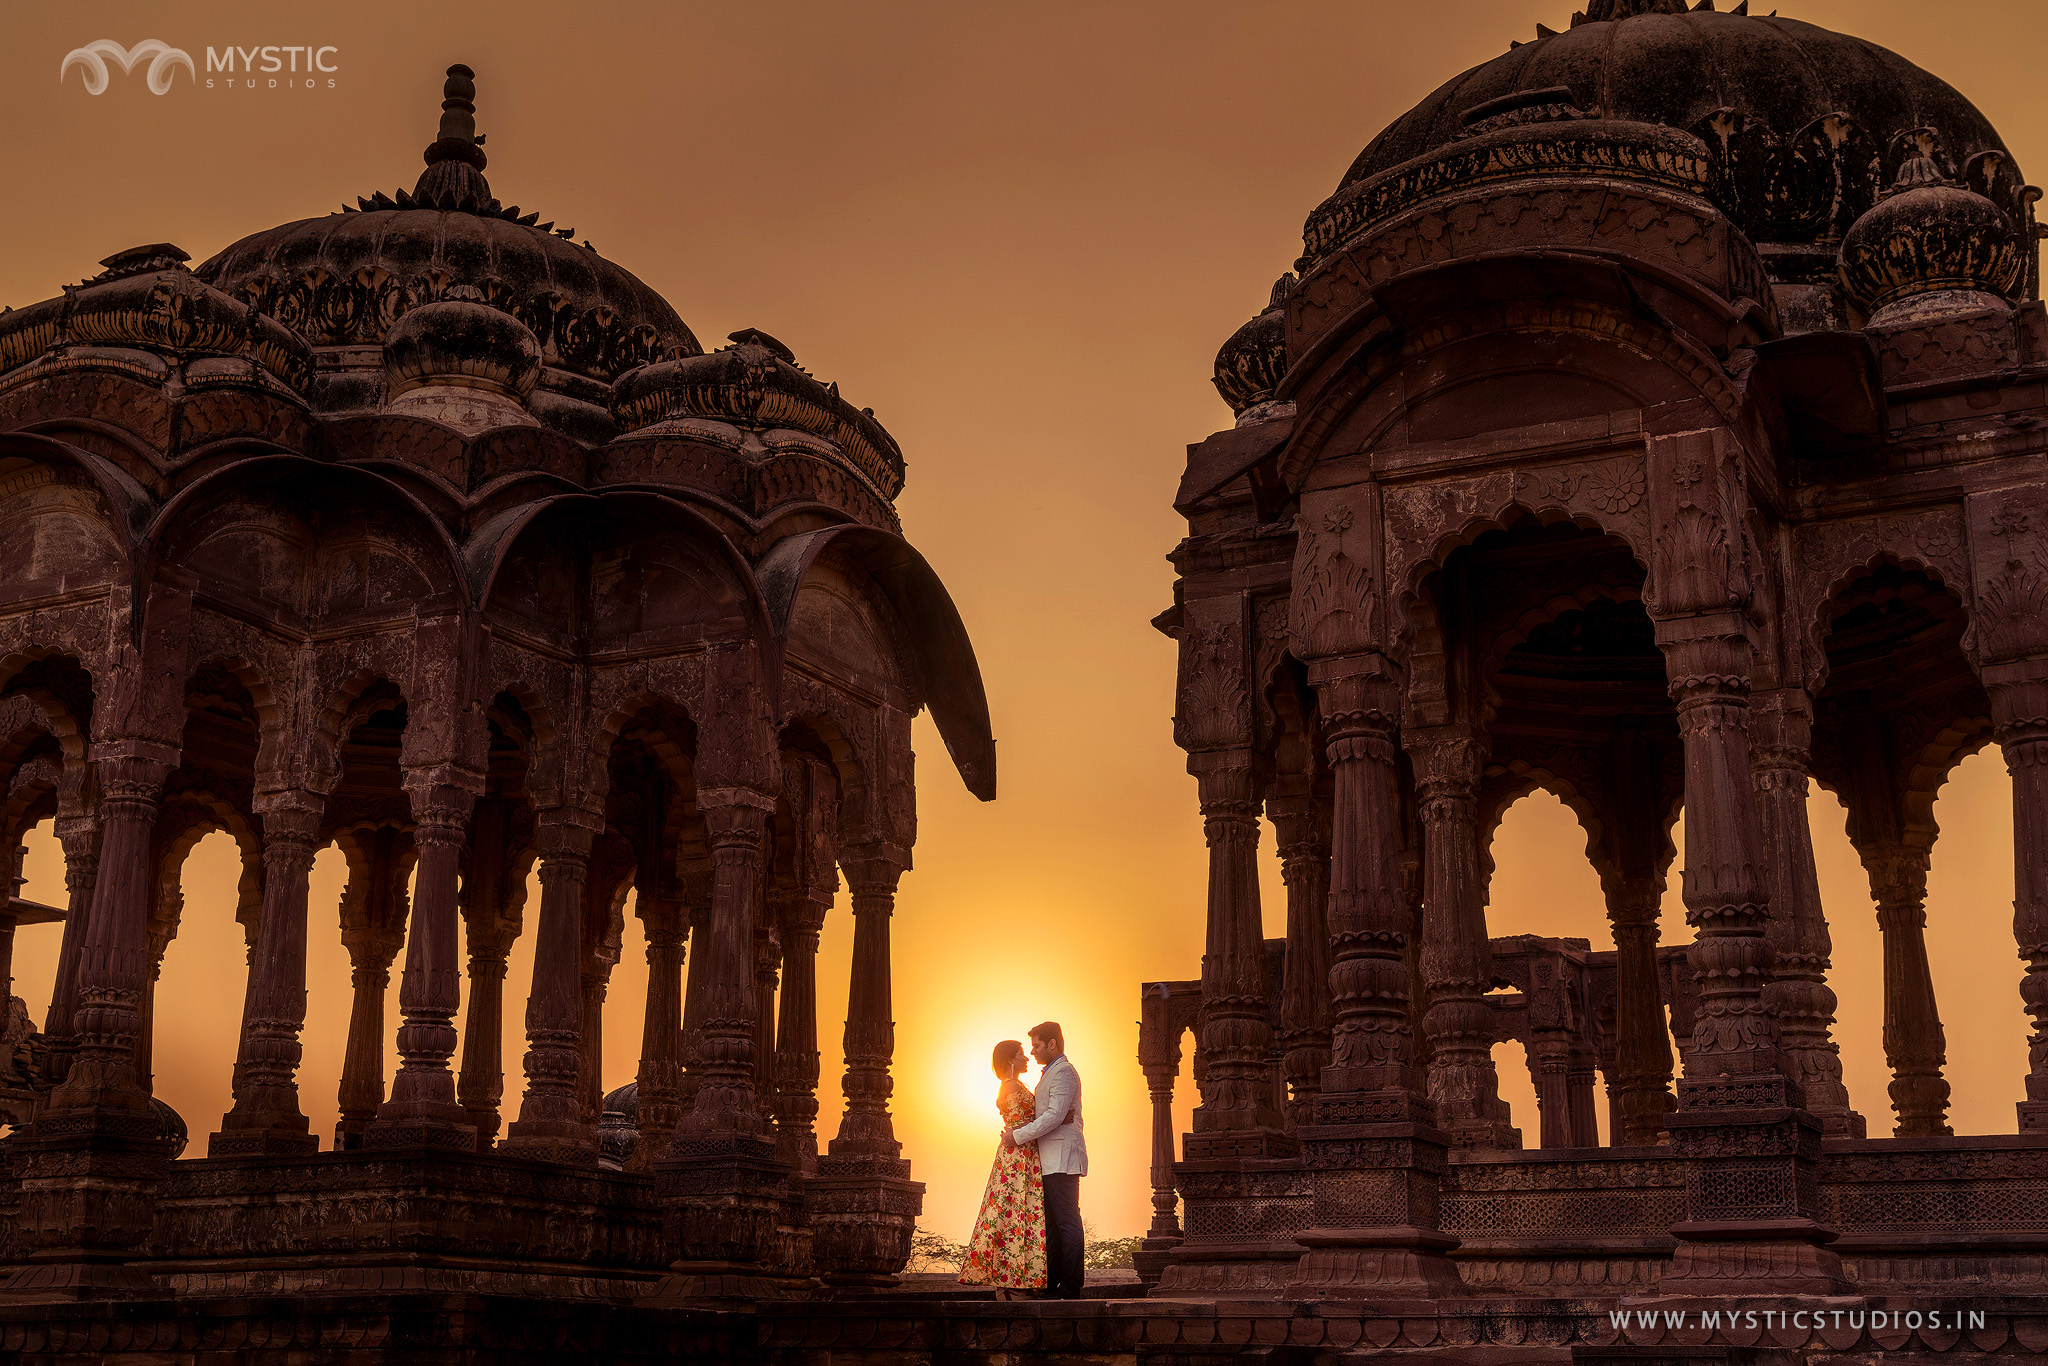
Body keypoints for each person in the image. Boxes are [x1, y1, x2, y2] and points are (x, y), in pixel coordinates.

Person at [957, 1039, 1046, 1295]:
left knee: (1015, 1214)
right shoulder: (1012, 1087)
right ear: (1010, 1059)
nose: (1026, 1058)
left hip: (1018, 1155)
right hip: (1019, 1157)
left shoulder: (1013, 1085)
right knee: (1017, 1214)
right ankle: (1013, 1282)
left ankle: (1015, 1279)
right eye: (1021, 1054)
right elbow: (1021, 1125)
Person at [1004, 1021, 1085, 1298]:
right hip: (1047, 1158)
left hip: (1061, 1157)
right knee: (1050, 1224)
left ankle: (1071, 1284)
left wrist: (1017, 1136)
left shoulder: (1063, 1072)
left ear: (1052, 1044)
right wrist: (1056, 1118)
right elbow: (1053, 1116)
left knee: (1066, 1221)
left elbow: (1052, 1116)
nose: (1033, 1051)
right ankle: (1051, 1283)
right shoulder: (1050, 1073)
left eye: (1037, 1045)